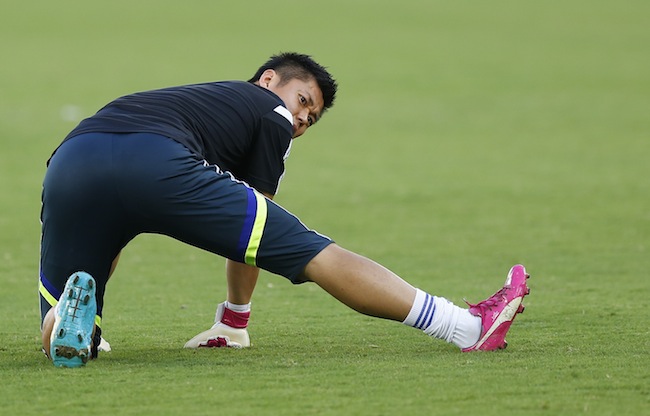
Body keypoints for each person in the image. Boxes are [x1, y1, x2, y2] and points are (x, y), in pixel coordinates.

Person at [39, 52, 530, 368]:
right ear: (268, 79)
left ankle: (75, 329)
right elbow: (251, 236)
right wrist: (236, 320)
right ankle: (465, 326)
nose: (300, 118)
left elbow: (118, 192)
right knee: (312, 252)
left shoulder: (196, 101)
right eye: (302, 101)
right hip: (156, 160)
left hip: (70, 162)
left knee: (89, 260)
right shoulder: (267, 109)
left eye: (310, 119)